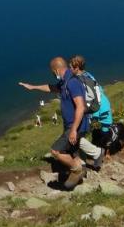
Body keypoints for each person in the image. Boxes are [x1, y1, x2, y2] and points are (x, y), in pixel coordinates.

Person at [18, 57, 89, 189]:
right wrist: (33, 87)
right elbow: (51, 88)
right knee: (72, 151)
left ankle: (76, 170)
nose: (52, 74)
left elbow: (80, 107)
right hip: (72, 125)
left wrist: (73, 130)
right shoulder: (64, 81)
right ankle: (80, 174)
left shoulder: (72, 82)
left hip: (75, 126)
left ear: (56, 69)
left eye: (52, 71)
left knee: (56, 151)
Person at [71, 55, 113, 170]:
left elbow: (82, 98)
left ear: (76, 68)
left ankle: (87, 159)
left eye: (71, 67)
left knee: (78, 134)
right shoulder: (89, 75)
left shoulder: (77, 80)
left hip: (91, 110)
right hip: (103, 105)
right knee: (105, 131)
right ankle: (105, 152)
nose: (70, 70)